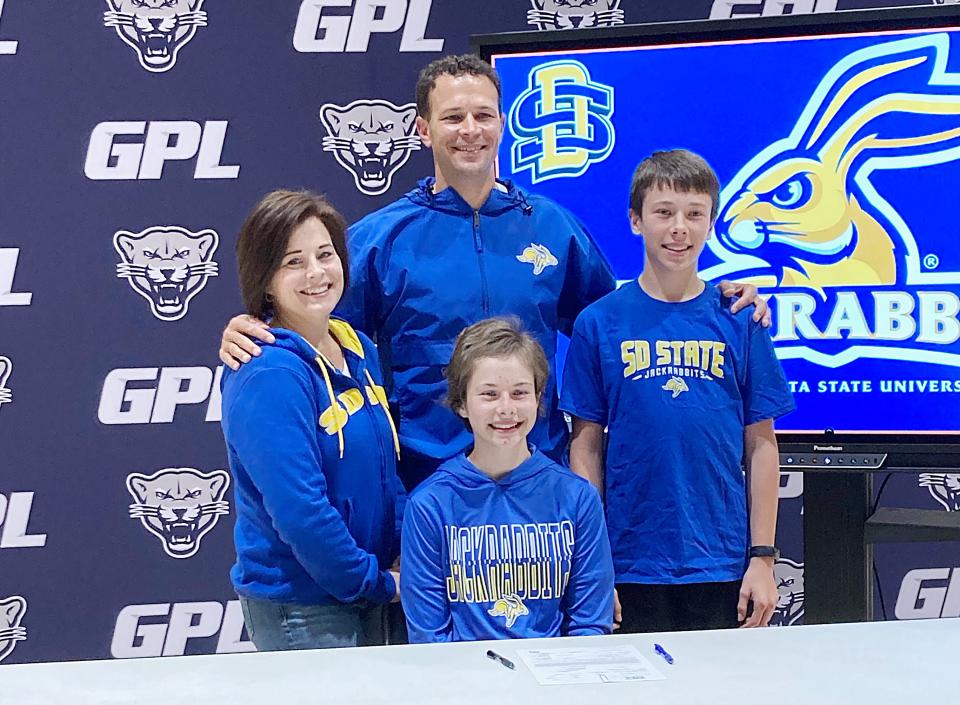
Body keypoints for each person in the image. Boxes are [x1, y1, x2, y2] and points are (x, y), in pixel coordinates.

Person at [218, 54, 771, 494]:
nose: (470, 130)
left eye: (483, 115)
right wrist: (254, 325)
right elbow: (312, 320)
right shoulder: (378, 240)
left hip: (540, 486)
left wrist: (717, 301)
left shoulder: (554, 227)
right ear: (422, 129)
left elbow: (624, 320)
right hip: (424, 488)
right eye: (453, 117)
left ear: (502, 123)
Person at [560, 150, 795, 633]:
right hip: (628, 562)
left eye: (694, 214)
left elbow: (762, 444)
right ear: (635, 220)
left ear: (711, 223)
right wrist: (594, 561)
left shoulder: (740, 319)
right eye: (663, 213)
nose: (679, 229)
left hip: (722, 560)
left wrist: (764, 559)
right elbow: (585, 446)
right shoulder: (598, 323)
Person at [220, 189, 404, 650]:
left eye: (325, 255)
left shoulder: (358, 350)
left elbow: (386, 471)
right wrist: (371, 582)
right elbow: (299, 509)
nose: (316, 273)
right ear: (264, 279)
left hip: (368, 591)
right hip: (304, 607)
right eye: (293, 262)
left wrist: (400, 557)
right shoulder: (268, 372)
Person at [401, 317, 614, 642]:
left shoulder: (577, 498)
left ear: (538, 397)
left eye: (519, 393)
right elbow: (428, 636)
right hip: (467, 686)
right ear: (461, 403)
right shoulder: (430, 506)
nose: (506, 409)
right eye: (489, 395)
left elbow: (590, 624)